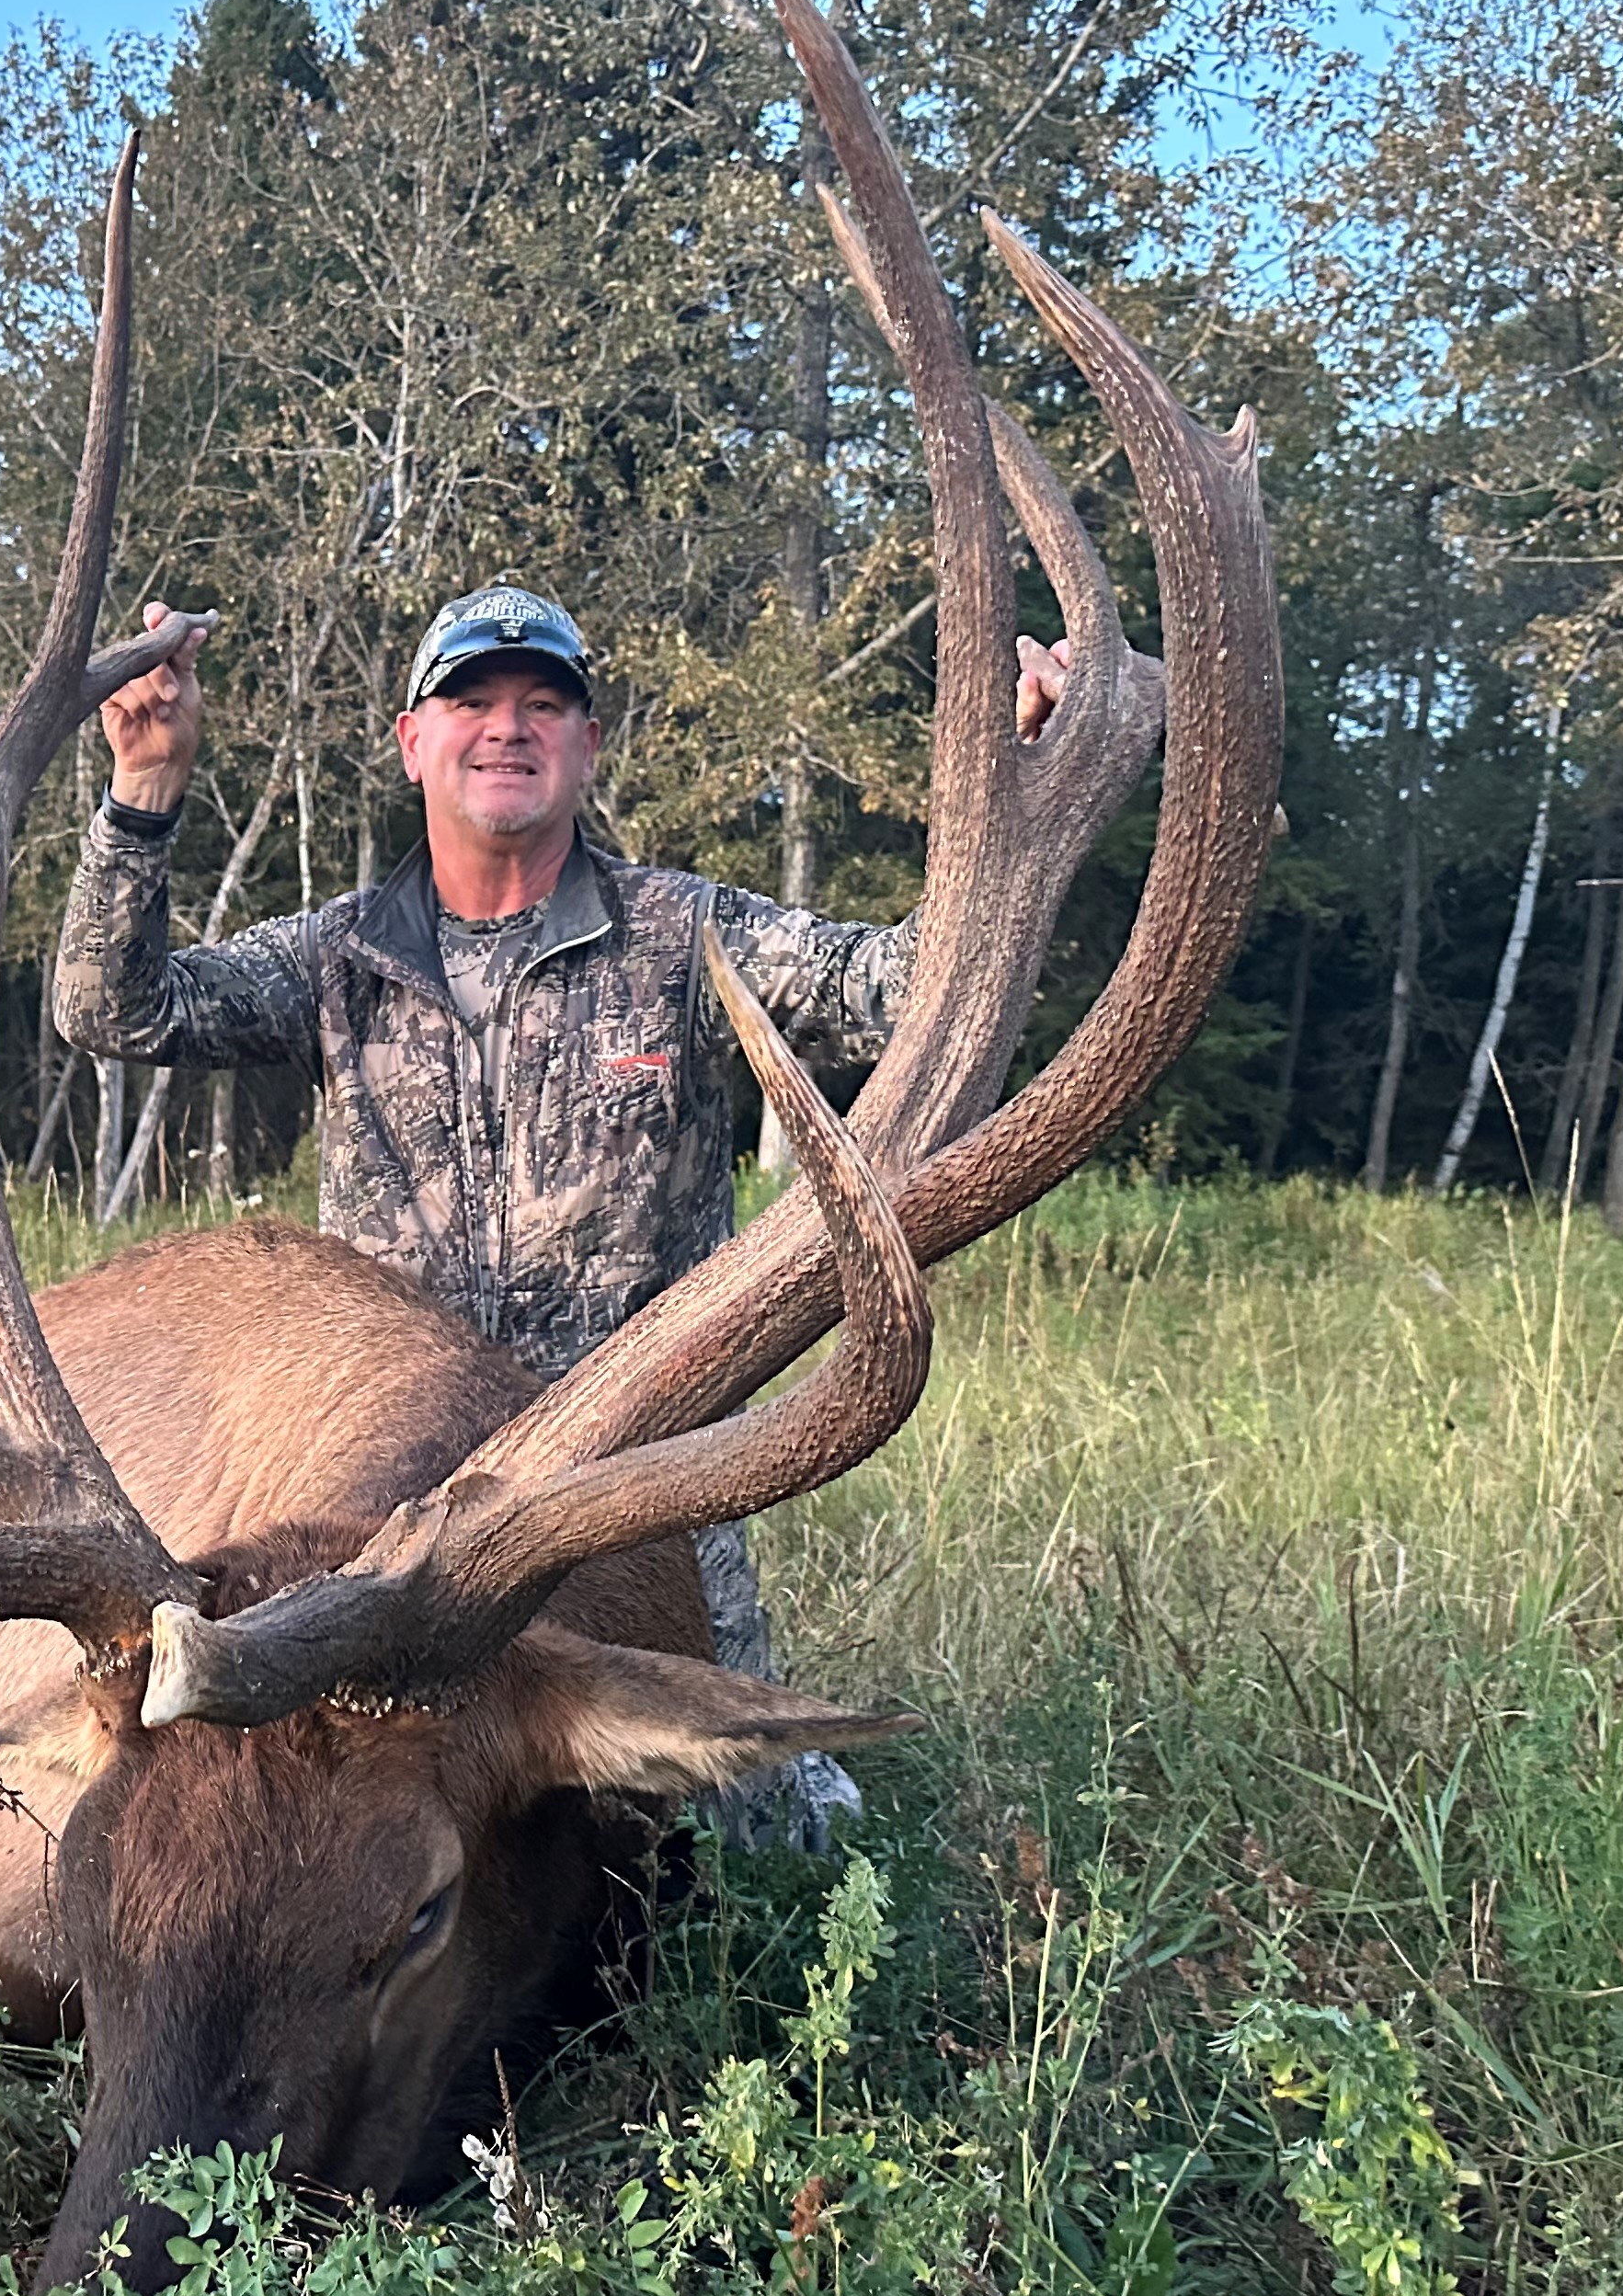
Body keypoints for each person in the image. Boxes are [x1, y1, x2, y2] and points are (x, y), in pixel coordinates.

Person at [55, 583, 1066, 1850]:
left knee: (738, 1859)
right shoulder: (336, 958)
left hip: (638, 1506)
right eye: (470, 700)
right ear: (413, 742)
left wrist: (1012, 782)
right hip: (395, 1521)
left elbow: (915, 987)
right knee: (341, 1848)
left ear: (586, 746)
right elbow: (112, 1009)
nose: (507, 726)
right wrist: (146, 786)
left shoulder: (683, 935)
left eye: (544, 703)